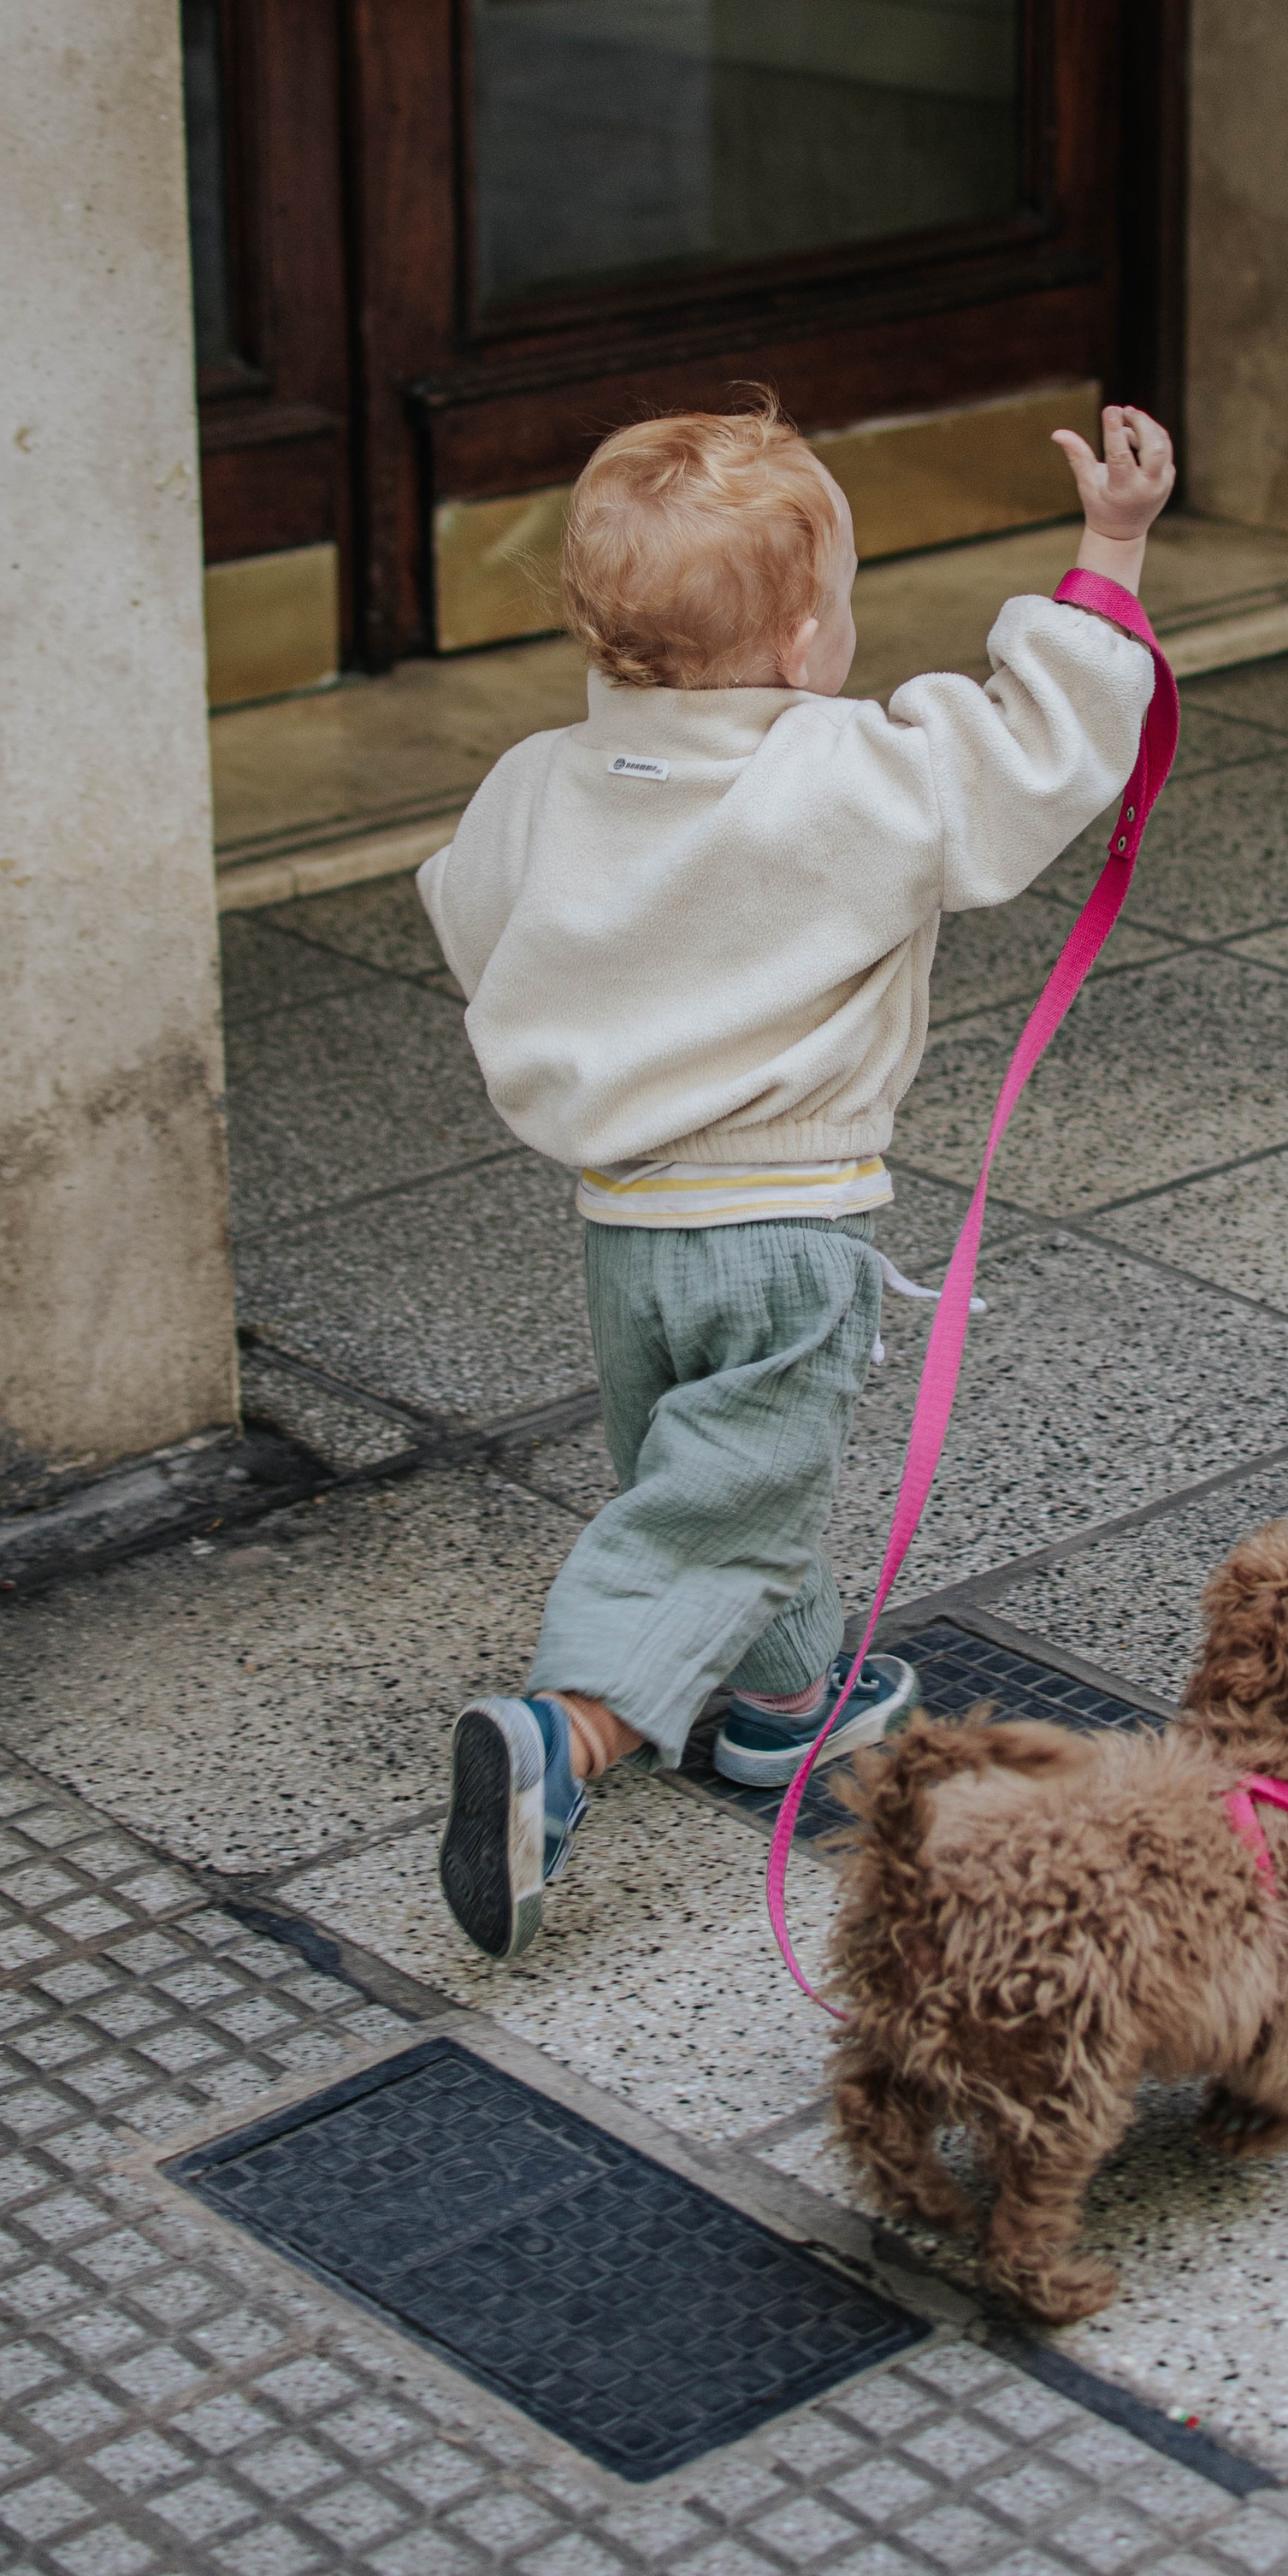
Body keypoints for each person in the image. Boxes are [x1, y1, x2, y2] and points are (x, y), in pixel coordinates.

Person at [419, 391, 1174, 1959]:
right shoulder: (842, 771)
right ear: (803, 640)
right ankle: (570, 1734)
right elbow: (1036, 754)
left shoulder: (539, 781)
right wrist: (1110, 550)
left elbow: (475, 923)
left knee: (702, 1478)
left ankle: (774, 1701)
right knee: (728, 1505)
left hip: (628, 1228)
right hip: (784, 1229)